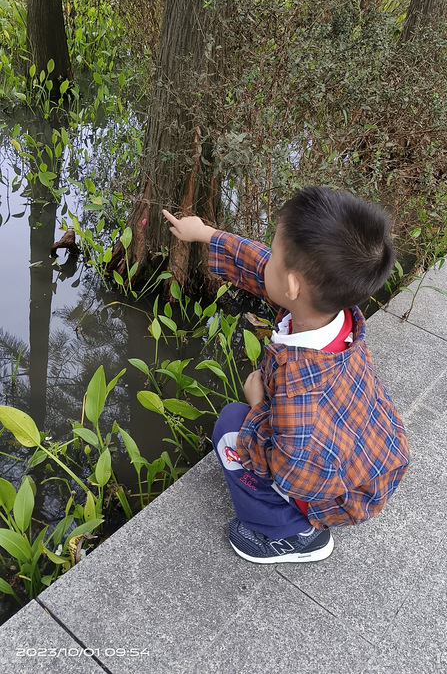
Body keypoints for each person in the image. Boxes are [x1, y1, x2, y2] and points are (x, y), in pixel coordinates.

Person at [162, 186, 410, 564]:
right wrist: (207, 235)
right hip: (366, 457)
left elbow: (290, 469)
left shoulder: (301, 395)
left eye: (274, 256)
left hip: (329, 487)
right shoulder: (334, 312)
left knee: (228, 426)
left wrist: (257, 408)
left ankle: (291, 535)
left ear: (293, 286)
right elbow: (263, 267)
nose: (267, 261)